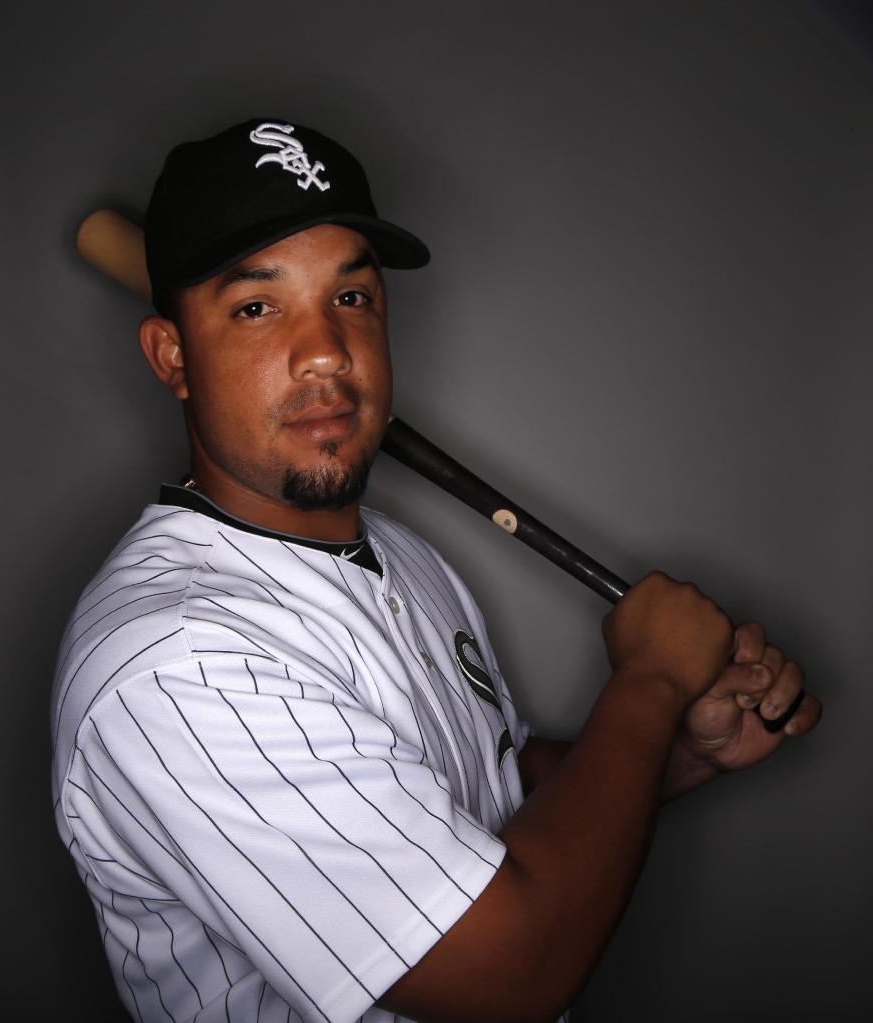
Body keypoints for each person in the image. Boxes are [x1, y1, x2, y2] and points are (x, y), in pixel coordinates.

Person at [51, 118, 821, 1023]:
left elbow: (477, 785)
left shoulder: (400, 554)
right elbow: (506, 975)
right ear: (173, 357)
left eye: (351, 298)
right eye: (257, 306)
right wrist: (650, 682)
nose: (326, 353)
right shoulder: (175, 662)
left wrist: (681, 750)